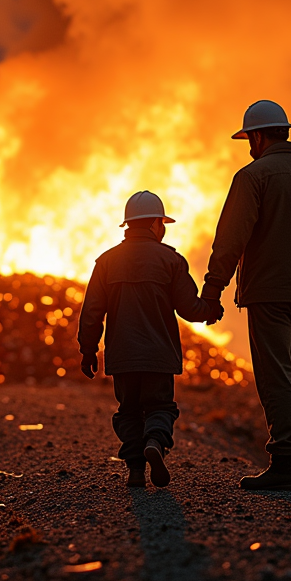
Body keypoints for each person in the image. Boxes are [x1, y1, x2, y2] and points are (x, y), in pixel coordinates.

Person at [200, 100, 291, 492]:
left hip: (269, 293)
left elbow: (231, 240)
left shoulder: (253, 177)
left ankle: (284, 462)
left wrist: (212, 291)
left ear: (260, 136)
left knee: (276, 373)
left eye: (249, 139)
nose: (249, 146)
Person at [78, 191, 219, 488]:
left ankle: (135, 471)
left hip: (123, 356)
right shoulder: (170, 260)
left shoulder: (106, 262)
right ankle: (155, 441)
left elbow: (92, 311)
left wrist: (88, 350)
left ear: (128, 225)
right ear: (156, 223)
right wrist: (211, 309)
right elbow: (190, 309)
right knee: (160, 407)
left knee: (128, 411)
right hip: (159, 356)